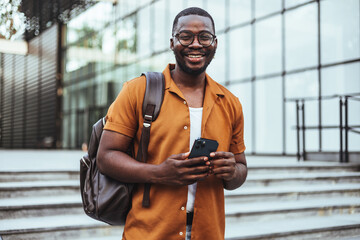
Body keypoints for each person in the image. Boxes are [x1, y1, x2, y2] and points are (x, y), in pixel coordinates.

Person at [97, 7, 247, 240]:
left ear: (215, 43)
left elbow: (240, 171)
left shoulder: (230, 103)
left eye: (204, 37)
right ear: (172, 42)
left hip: (208, 232)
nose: (195, 44)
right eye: (185, 36)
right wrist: (159, 173)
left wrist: (231, 171)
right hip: (148, 232)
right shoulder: (138, 90)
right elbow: (106, 157)